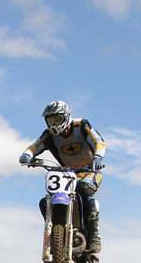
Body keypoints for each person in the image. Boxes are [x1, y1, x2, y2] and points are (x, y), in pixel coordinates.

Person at [19, 101, 107, 253]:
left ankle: (94, 237)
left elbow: (99, 141)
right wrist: (27, 155)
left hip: (90, 170)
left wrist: (98, 156)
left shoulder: (81, 126)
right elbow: (35, 146)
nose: (54, 124)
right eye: (50, 120)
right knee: (45, 201)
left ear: (66, 116)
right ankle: (57, 235)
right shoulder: (49, 135)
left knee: (84, 189)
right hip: (67, 174)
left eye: (57, 119)